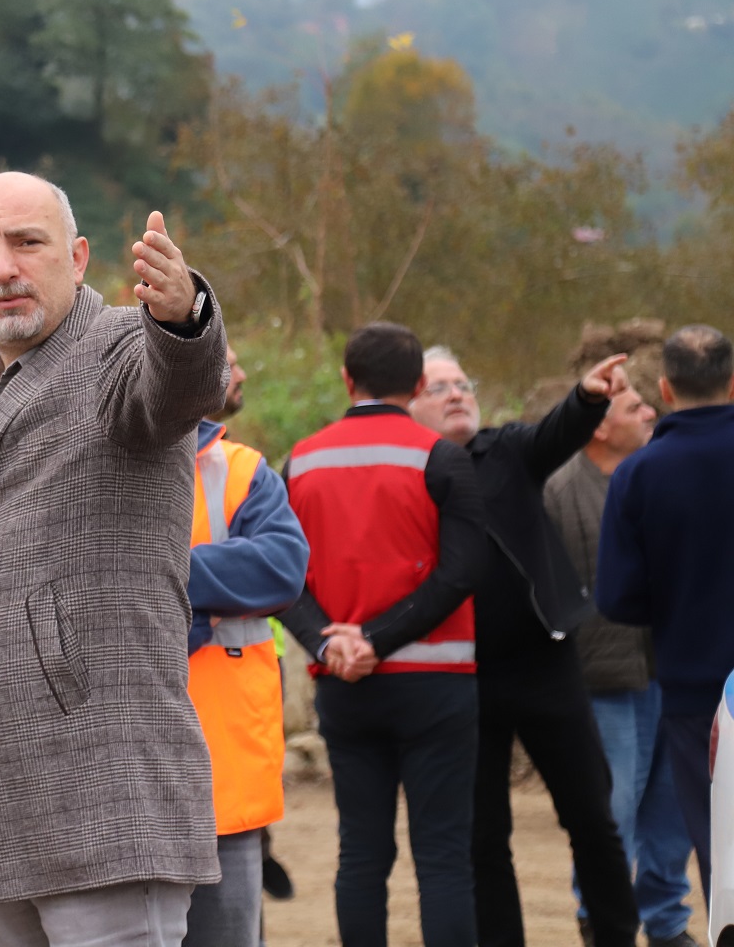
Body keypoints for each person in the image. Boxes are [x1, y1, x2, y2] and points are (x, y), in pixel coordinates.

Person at [0, 171, 229, 947]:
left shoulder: (119, 344)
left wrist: (184, 317)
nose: (4, 267)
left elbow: (179, 383)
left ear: (78, 258)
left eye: (27, 242)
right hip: (1, 802)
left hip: (103, 797)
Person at [407, 345, 638, 947]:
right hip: (462, 677)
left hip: (545, 665)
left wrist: (588, 396)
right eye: (440, 387)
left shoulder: (506, 450)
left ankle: (615, 936)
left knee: (593, 819)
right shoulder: (408, 472)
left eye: (463, 382)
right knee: (485, 838)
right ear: (408, 404)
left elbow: (558, 433)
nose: (458, 393)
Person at [279, 322, 490, 947]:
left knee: (362, 856)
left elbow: (282, 577)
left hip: (344, 685)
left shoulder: (302, 460)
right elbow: (461, 573)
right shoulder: (441, 458)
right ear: (420, 383)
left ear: (348, 380)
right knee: (444, 857)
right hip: (437, 685)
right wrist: (380, 637)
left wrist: (329, 642)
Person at [546, 377, 696, 947]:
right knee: (612, 811)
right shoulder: (558, 490)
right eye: (635, 407)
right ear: (600, 426)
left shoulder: (659, 480)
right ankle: (600, 918)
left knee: (673, 806)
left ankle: (666, 920)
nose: (650, 411)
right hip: (599, 681)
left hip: (668, 671)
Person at [181, 346, 311, 947]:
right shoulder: (91, 467)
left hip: (225, 778)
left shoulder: (241, 470)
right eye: (228, 360)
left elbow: (283, 569)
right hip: (121, 777)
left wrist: (165, 577)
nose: (242, 371)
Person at [597, 324, 734, 891]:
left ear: (666, 389)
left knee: (720, 849)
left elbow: (617, 599)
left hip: (696, 693)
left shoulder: (638, 474)